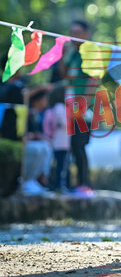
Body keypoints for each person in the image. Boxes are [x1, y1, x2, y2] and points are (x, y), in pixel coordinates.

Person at [59, 20, 95, 195]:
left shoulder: (91, 53)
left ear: (86, 34)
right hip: (68, 106)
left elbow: (94, 80)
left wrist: (83, 103)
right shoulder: (72, 53)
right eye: (72, 32)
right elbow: (64, 75)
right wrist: (62, 55)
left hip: (83, 110)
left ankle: (84, 184)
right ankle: (67, 183)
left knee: (79, 145)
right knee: (68, 145)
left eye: (78, 32)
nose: (74, 36)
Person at [22, 88, 54, 194]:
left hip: (34, 142)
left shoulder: (41, 114)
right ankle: (27, 180)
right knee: (38, 148)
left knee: (46, 147)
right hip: (25, 143)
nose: (46, 101)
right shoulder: (27, 112)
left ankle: (37, 180)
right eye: (44, 99)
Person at [42, 86, 70, 192]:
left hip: (61, 141)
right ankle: (58, 185)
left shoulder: (57, 107)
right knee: (60, 165)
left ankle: (57, 185)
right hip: (60, 142)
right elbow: (65, 123)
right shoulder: (60, 107)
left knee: (59, 165)